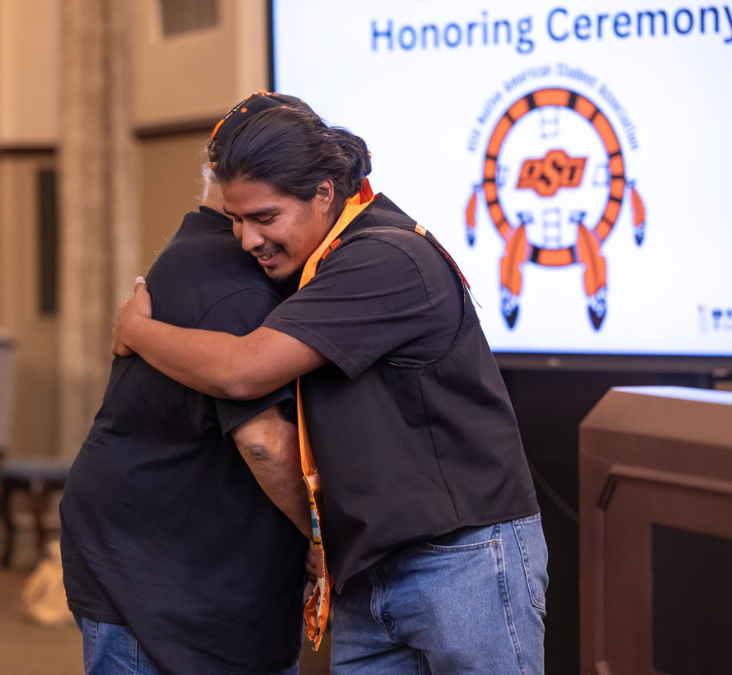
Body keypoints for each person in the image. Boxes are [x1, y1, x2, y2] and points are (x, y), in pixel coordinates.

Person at [112, 106, 549, 674]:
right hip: (368, 565)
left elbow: (243, 371)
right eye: (236, 220)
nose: (247, 240)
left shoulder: (385, 257)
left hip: (461, 559)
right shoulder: (321, 261)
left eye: (265, 217)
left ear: (323, 193)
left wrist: (136, 330)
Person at [59, 93, 314, 675]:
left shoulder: (200, 254)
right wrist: (326, 542)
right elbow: (265, 443)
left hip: (159, 549)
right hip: (153, 570)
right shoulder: (231, 284)